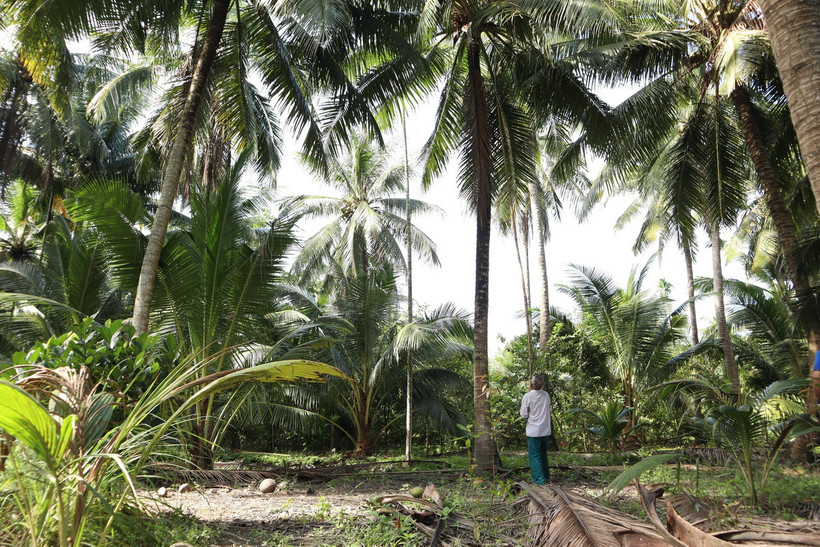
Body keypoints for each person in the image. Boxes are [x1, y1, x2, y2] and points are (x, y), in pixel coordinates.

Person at [520, 374, 551, 484]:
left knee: (534, 456)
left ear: (531, 385)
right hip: (545, 430)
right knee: (543, 454)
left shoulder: (527, 396)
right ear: (542, 385)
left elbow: (524, 415)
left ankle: (539, 480)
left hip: (533, 431)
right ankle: (546, 476)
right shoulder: (546, 395)